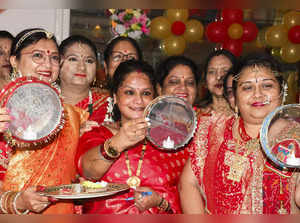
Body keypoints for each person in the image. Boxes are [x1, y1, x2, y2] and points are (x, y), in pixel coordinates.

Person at [179, 52, 300, 214]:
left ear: (281, 92)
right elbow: (187, 184)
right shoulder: (213, 130)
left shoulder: (296, 137)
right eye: (248, 87)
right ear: (234, 99)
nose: (258, 94)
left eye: (267, 85)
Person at [76, 60, 184, 214]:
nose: (139, 100)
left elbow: (186, 193)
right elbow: (89, 172)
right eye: (129, 92)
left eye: (146, 93)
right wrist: (118, 142)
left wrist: (160, 202)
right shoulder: (97, 133)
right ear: (115, 97)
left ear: (154, 98)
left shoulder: (169, 141)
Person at [0, 28, 87, 214]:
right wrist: (18, 201)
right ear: (14, 61)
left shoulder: (73, 116)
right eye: (37, 56)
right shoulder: (2, 110)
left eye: (55, 58)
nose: (48, 64)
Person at [59, 35, 108, 125]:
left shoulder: (109, 105)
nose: (82, 67)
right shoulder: (45, 103)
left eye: (89, 61)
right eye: (73, 59)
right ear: (58, 63)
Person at [196, 49, 237, 115]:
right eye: (212, 72)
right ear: (205, 79)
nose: (218, 77)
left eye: (225, 71)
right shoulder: (195, 115)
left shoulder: (247, 114)